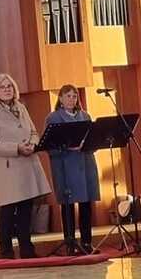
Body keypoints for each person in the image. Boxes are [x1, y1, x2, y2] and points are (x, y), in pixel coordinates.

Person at [0, 73, 51, 259]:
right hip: (9, 167)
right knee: (7, 212)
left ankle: (27, 249)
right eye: (3, 87)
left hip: (27, 164)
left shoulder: (21, 108)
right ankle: (6, 252)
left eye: (9, 86)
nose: (7, 90)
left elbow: (34, 132)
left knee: (26, 209)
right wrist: (17, 148)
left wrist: (33, 144)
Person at [45, 85, 100, 255]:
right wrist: (68, 146)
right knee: (68, 205)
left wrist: (89, 144)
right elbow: (49, 144)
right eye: (68, 96)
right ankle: (70, 243)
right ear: (60, 98)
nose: (71, 99)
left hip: (85, 163)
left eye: (74, 96)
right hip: (66, 165)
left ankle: (86, 242)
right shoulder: (54, 118)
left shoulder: (85, 116)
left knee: (86, 204)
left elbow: (94, 140)